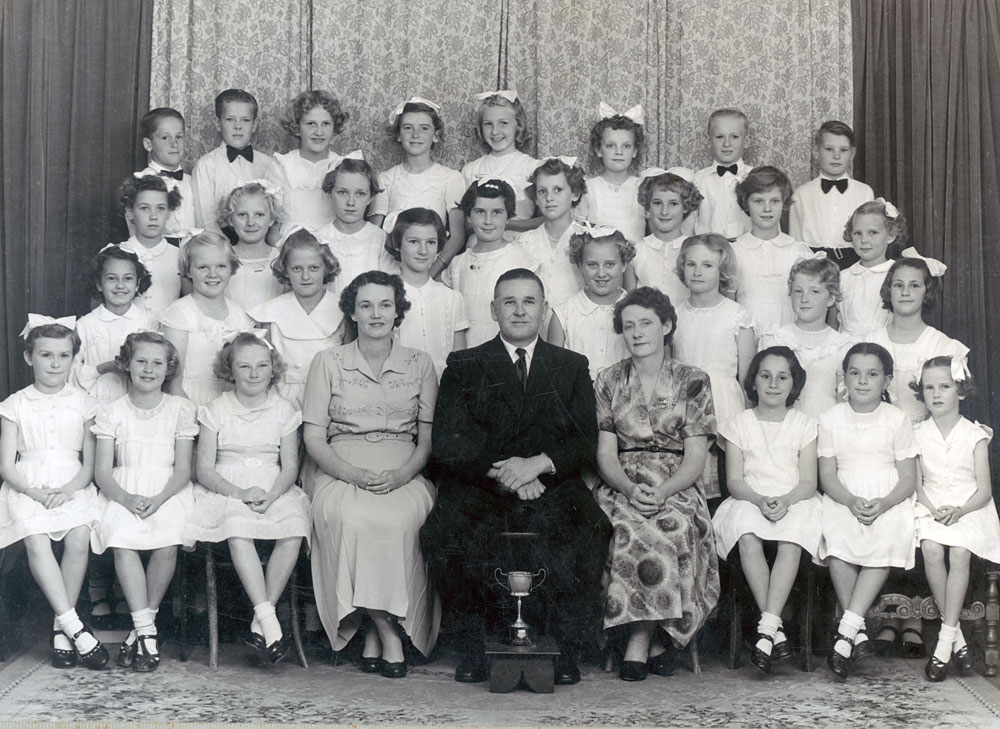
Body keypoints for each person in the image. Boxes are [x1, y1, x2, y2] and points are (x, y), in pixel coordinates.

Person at [422, 268, 612, 685]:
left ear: (544, 310)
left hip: (550, 484)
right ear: (493, 310)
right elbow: (449, 441)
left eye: (529, 302)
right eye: (509, 302)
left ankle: (563, 646)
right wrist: (508, 472)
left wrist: (537, 464)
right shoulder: (464, 363)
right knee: (443, 531)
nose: (520, 310)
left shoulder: (571, 365)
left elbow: (584, 440)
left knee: (590, 527)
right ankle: (474, 646)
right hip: (481, 484)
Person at [302, 271, 439, 679]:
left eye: (385, 305)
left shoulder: (421, 363)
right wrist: (351, 473)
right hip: (340, 465)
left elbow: (427, 441)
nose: (376, 314)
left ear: (398, 311)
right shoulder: (327, 362)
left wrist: (401, 476)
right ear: (352, 312)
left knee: (401, 519)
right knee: (352, 517)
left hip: (403, 467)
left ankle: (373, 635)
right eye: (366, 305)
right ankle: (387, 630)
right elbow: (313, 437)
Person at [594, 286, 719, 681]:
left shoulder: (693, 380)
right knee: (627, 527)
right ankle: (655, 641)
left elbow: (696, 456)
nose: (637, 333)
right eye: (629, 325)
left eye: (646, 323)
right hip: (623, 480)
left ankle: (640, 638)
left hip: (675, 481)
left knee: (673, 525)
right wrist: (629, 490)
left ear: (666, 326)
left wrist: (664, 492)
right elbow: (605, 453)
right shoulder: (608, 380)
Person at [191, 333, 309, 664]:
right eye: (244, 366)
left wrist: (273, 495)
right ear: (229, 370)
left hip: (274, 486)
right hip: (227, 487)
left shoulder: (284, 410)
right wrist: (239, 493)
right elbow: (204, 470)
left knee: (294, 527)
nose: (254, 374)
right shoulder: (215, 410)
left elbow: (290, 467)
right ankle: (269, 620)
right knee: (236, 526)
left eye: (262, 366)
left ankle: (261, 623)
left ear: (273, 368)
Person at [0, 318, 107, 670]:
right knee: (36, 538)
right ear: (29, 357)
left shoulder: (85, 402)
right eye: (46, 355)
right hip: (27, 484)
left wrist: (68, 489)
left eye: (64, 356)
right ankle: (75, 627)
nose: (55, 364)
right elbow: (7, 466)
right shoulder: (14, 404)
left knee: (79, 536)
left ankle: (61, 630)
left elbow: (89, 464)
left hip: (72, 482)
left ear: (73, 359)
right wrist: (32, 491)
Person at [92, 332, 197, 672]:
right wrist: (125, 498)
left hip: (168, 489)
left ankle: (139, 632)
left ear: (169, 368)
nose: (149, 369)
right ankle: (147, 632)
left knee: (168, 540)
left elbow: (183, 469)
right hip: (123, 489)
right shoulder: (112, 412)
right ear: (126, 364)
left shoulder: (181, 409)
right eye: (141, 361)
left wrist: (160, 498)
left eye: (157, 363)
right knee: (122, 540)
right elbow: (102, 471)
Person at [712, 347, 821, 674]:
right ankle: (774, 629)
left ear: (794, 383)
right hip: (749, 497)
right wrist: (760, 500)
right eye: (765, 376)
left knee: (792, 536)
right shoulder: (738, 424)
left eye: (782, 377)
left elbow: (808, 481)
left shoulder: (804, 424)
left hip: (795, 498)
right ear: (754, 381)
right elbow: (734, 481)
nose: (773, 384)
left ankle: (767, 629)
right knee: (746, 532)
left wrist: (786, 500)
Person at [818, 343, 918, 680]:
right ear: (844, 377)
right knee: (836, 534)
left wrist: (885, 503)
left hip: (889, 495)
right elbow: (827, 475)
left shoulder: (897, 419)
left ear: (887, 380)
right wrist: (849, 501)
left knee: (887, 533)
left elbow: (908, 478)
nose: (862, 381)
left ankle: (846, 631)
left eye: (872, 374)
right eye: (855, 373)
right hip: (844, 493)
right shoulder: (830, 418)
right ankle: (856, 633)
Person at [911, 357, 1000, 681]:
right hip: (931, 506)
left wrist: (960, 510)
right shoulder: (916, 434)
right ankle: (956, 639)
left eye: (945, 386)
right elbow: (917, 486)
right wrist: (932, 507)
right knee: (931, 547)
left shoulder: (975, 435)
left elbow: (984, 491)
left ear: (960, 391)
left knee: (960, 551)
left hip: (971, 508)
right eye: (929, 387)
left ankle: (944, 641)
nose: (936, 394)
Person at [672, 234, 756, 500]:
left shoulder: (738, 315)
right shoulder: (674, 315)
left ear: (722, 271)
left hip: (725, 405)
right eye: (691, 264)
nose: (697, 272)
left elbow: (747, 379)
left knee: (724, 481)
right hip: (685, 405)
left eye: (707, 265)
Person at [247, 229, 344, 409]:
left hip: (330, 399)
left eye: (314, 268)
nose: (305, 276)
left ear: (326, 267)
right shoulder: (270, 312)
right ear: (285, 270)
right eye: (297, 269)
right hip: (281, 401)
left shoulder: (341, 310)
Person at [870, 255, 968, 422]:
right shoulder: (870, 341)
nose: (905, 292)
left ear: (926, 292)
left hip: (922, 434)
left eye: (914, 285)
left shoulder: (943, 346)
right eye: (898, 285)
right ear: (889, 290)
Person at [443, 179, 540, 347]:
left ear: (508, 217)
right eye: (480, 212)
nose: (488, 220)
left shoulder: (521, 261)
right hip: (467, 351)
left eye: (497, 212)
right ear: (469, 216)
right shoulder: (458, 263)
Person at [160, 232, 253, 406]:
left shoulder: (239, 314)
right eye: (203, 267)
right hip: (190, 403)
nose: (213, 274)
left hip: (232, 406)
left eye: (221, 266)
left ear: (231, 268)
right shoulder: (179, 314)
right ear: (188, 270)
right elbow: (173, 385)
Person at [758, 256, 854, 419]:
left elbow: (845, 400)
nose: (804, 299)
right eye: (798, 291)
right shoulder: (772, 340)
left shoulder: (843, 346)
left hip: (827, 425)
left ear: (831, 298)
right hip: (783, 426)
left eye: (814, 291)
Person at [368, 97, 466, 249]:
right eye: (408, 127)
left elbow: (458, 237)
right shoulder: (386, 179)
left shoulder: (451, 178)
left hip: (433, 259)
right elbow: (374, 234)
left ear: (436, 135)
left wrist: (437, 264)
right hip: (392, 258)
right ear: (398, 135)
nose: (415, 134)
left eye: (424, 128)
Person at [385, 208, 469, 378]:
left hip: (444, 387)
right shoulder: (384, 296)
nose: (423, 251)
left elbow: (460, 360)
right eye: (414, 242)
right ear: (397, 244)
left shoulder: (452, 298)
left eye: (430, 242)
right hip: (396, 385)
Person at [732, 166, 812, 335]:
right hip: (748, 340)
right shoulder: (735, 251)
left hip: (790, 341)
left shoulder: (798, 252)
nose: (767, 208)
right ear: (746, 203)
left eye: (774, 201)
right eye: (758, 201)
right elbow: (728, 307)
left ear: (784, 203)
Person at [191, 88, 282, 238]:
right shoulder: (206, 166)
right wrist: (228, 249)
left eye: (245, 120)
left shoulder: (269, 164)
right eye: (230, 119)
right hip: (221, 245)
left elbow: (276, 213)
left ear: (254, 125)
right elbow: (206, 222)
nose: (238, 126)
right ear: (218, 123)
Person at [73, 245, 157, 403]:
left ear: (138, 284)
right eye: (112, 278)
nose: (120, 285)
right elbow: (72, 373)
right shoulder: (85, 325)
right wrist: (103, 368)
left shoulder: (149, 322)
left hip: (139, 401)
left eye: (128, 278)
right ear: (99, 284)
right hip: (98, 401)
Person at [547, 225, 632, 381]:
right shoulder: (563, 315)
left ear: (624, 264)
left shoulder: (637, 310)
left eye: (609, 264)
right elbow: (553, 374)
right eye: (592, 265)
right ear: (580, 265)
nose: (601, 273)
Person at [788, 120, 874, 269]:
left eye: (843, 150)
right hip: (814, 266)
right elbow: (795, 241)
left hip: (854, 264)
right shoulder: (801, 194)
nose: (836, 156)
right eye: (829, 149)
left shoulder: (864, 192)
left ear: (852, 153)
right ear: (816, 152)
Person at [460, 90, 541, 240]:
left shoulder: (531, 167)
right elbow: (463, 223)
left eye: (503, 123)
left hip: (519, 242)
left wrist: (507, 224)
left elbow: (547, 219)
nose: (495, 131)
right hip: (480, 243)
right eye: (488, 124)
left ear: (519, 125)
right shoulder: (471, 170)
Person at [314, 158, 399, 294]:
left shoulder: (381, 241)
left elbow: (389, 290)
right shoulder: (317, 240)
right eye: (342, 192)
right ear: (330, 194)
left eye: (360, 194)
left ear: (370, 197)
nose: (351, 202)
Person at [269, 90, 351, 230]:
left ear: (334, 128)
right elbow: (272, 227)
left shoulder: (341, 166)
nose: (319, 132)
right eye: (311, 124)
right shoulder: (282, 165)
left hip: (331, 240)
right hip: (289, 240)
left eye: (326, 124)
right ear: (296, 127)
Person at [517, 157, 587, 310]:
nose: (549, 198)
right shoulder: (524, 242)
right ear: (536, 198)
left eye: (558, 190)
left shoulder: (588, 238)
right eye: (542, 191)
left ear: (575, 194)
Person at [629, 171, 704, 304]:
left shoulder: (696, 250)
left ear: (685, 207)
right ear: (648, 208)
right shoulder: (636, 251)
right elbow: (630, 299)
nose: (664, 212)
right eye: (657, 203)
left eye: (673, 204)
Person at [836, 198, 907, 339]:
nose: (864, 240)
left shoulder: (898, 275)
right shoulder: (842, 277)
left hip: (884, 345)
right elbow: (833, 322)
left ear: (890, 236)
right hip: (844, 345)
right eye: (858, 233)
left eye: (873, 233)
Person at [576, 104, 646, 243]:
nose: (618, 152)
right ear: (598, 150)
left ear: (635, 151)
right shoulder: (588, 188)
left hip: (637, 255)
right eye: (610, 146)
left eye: (626, 146)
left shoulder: (643, 187)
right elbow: (577, 229)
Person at [117, 174, 183, 317]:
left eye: (160, 208)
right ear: (130, 212)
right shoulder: (116, 254)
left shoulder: (179, 256)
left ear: (169, 212)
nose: (153, 216)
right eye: (144, 208)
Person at [219, 180, 289, 309]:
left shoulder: (282, 259)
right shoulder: (221, 258)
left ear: (271, 219)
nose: (250, 222)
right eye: (242, 215)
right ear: (231, 219)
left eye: (259, 215)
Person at [134, 107, 196, 240]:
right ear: (148, 144)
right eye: (165, 137)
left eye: (179, 137)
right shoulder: (142, 182)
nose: (174, 144)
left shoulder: (193, 181)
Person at [692, 108, 752, 239]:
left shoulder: (756, 178)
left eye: (734, 137)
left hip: (748, 249)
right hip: (708, 248)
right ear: (709, 141)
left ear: (746, 141)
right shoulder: (697, 181)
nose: (727, 144)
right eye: (719, 137)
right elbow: (688, 229)